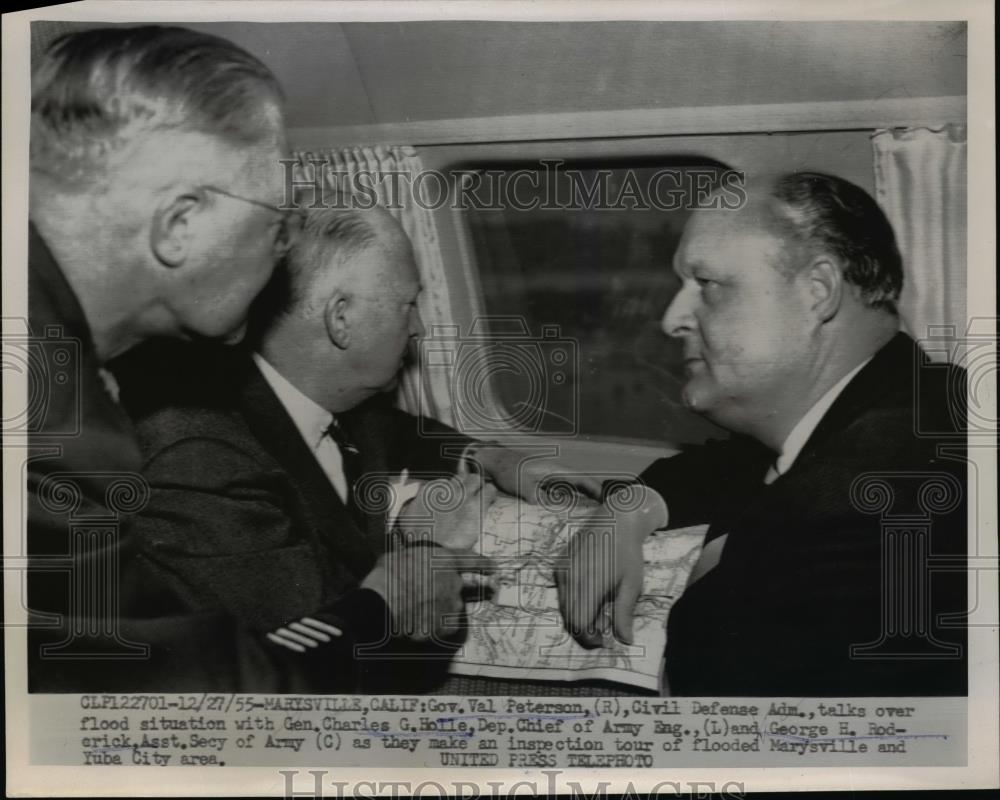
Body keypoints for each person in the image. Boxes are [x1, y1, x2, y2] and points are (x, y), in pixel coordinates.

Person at [114, 199, 600, 692]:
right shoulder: (201, 459)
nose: (419, 329)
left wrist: (494, 457)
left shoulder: (327, 400)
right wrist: (424, 549)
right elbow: (324, 669)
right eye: (406, 305)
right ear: (340, 318)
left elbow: (397, 432)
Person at [26, 25, 362, 692]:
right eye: (278, 222)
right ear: (179, 225)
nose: (282, 253)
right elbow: (202, 697)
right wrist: (386, 611)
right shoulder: (50, 419)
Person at [558, 171, 967, 696]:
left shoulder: (859, 515)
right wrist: (627, 509)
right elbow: (741, 461)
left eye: (707, 285)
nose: (670, 319)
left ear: (817, 291)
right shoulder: (919, 402)